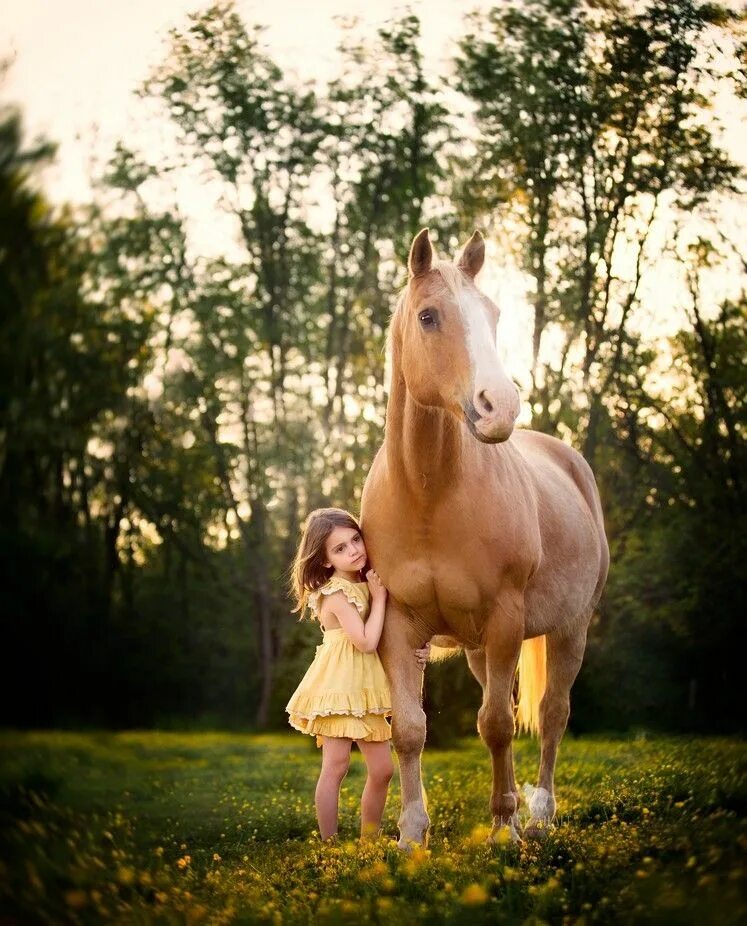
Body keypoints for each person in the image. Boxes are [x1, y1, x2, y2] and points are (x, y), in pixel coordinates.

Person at [286, 507, 430, 842]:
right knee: (335, 767)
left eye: (355, 539)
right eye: (340, 549)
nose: (354, 550)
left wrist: (420, 649)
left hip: (366, 686)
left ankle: (369, 841)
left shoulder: (366, 579)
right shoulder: (335, 593)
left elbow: (391, 633)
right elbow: (366, 641)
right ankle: (330, 844)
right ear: (325, 561)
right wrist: (378, 599)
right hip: (339, 686)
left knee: (382, 770)